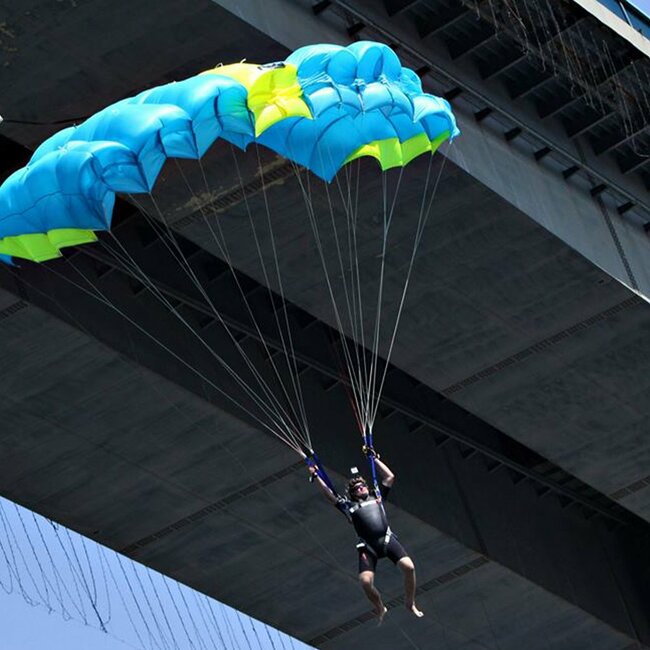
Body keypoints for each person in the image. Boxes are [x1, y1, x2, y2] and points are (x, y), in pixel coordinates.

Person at [308, 450, 423, 622]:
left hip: (386, 539)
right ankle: (380, 606)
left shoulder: (376, 496)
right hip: (368, 546)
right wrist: (316, 476)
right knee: (365, 582)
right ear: (353, 493)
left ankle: (410, 602)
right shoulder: (348, 506)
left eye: (363, 486)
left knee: (409, 567)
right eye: (357, 488)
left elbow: (390, 477)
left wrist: (374, 459)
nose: (361, 488)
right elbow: (330, 495)